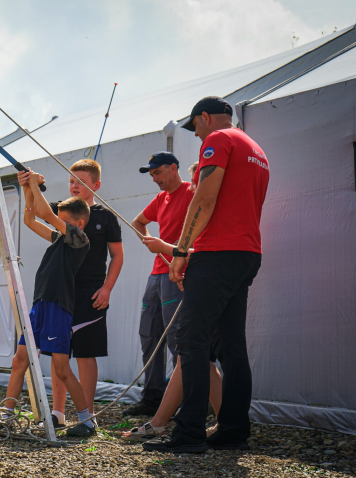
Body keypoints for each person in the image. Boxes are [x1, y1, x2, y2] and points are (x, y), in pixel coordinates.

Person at [144, 96, 270, 453]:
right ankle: (232, 430)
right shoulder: (256, 148)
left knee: (192, 342)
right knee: (232, 345)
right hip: (247, 251)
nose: (196, 135)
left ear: (205, 118)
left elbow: (204, 199)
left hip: (217, 253)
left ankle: (188, 435)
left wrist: (181, 250)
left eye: (195, 127)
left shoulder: (218, 140)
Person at [5, 169, 95, 437]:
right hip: (41, 304)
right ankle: (6, 417)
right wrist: (27, 189)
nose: (58, 225)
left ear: (77, 224)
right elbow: (31, 219)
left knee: (61, 368)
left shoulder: (80, 240)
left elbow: (46, 215)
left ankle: (86, 420)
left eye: (62, 222)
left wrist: (35, 182)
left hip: (58, 306)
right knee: (19, 360)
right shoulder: (59, 239)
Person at [42, 159, 123, 429]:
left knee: (86, 355)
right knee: (57, 353)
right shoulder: (60, 210)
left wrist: (107, 288)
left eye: (81, 181)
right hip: (61, 293)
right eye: (71, 180)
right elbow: (38, 214)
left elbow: (117, 256)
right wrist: (30, 184)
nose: (74, 185)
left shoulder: (105, 216)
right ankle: (58, 413)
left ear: (96, 185)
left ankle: (87, 417)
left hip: (92, 294)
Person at [122, 236, 223, 440]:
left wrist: (168, 249)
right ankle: (225, 422)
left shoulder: (205, 210)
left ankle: (173, 425)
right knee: (192, 352)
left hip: (209, 274)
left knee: (191, 349)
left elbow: (211, 250)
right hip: (208, 273)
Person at [123, 152, 192, 418]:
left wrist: (172, 250)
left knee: (176, 338)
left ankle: (183, 403)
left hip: (178, 273)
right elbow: (138, 221)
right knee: (149, 334)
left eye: (158, 173)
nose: (155, 179)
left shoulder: (191, 192)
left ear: (173, 168)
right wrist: (151, 241)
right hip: (157, 274)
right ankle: (152, 398)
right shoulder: (161, 199)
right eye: (151, 174)